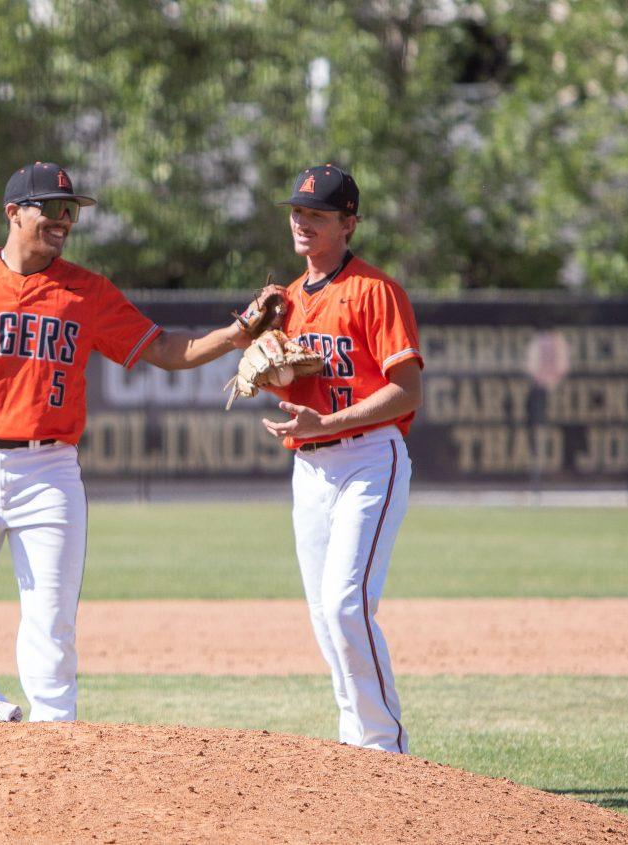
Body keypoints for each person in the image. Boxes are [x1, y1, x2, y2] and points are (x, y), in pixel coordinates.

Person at [0, 161, 276, 722]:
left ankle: (56, 744)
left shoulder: (86, 292)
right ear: (13, 213)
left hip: (48, 473)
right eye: (50, 208)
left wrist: (238, 334)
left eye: (70, 210)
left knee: (50, 621)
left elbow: (166, 351)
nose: (64, 219)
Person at [259, 164, 423, 753]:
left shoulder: (375, 291)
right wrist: (265, 364)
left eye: (318, 214)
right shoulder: (286, 301)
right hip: (309, 465)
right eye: (298, 211)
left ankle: (384, 748)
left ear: (348, 223)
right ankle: (356, 748)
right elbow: (297, 379)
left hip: (368, 459)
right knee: (325, 620)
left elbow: (407, 390)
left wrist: (327, 421)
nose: (302, 222)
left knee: (345, 604)